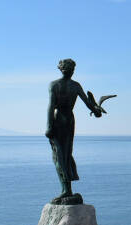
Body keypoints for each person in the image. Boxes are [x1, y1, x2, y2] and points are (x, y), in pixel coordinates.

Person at [45, 58, 103, 204]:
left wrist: (49, 126)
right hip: (69, 120)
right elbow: (88, 103)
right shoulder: (75, 86)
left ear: (61, 69)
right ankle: (67, 189)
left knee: (59, 156)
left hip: (60, 120)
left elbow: (51, 106)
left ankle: (66, 190)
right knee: (65, 154)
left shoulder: (54, 85)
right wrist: (96, 111)